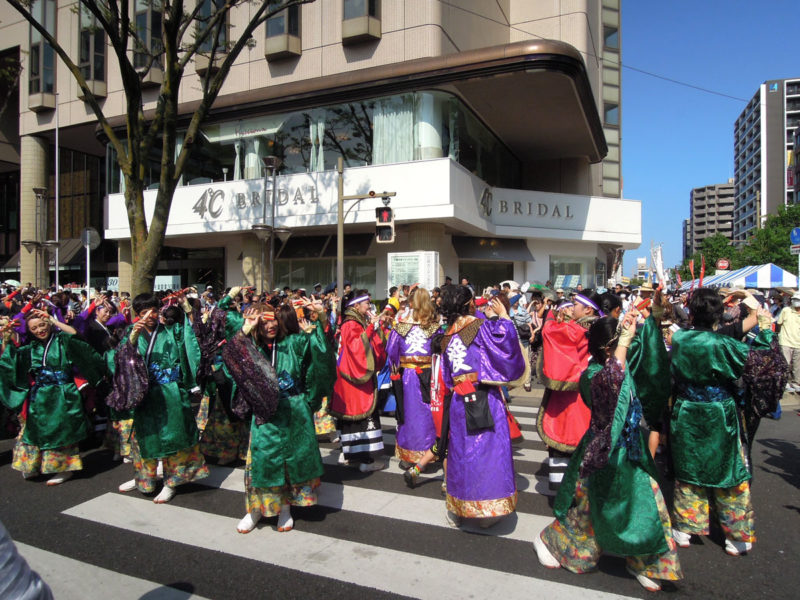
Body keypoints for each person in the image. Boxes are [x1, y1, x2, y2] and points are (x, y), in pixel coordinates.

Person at [534, 316, 682, 592]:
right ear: (607, 348)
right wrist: (623, 342)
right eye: (622, 340)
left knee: (650, 507)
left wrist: (656, 315)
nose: (629, 342)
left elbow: (648, 355)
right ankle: (549, 541)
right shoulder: (592, 375)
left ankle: (647, 562)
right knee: (588, 515)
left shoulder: (622, 362)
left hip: (631, 452)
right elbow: (612, 386)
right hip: (602, 454)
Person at [669, 288, 785, 556]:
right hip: (719, 411)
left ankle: (686, 527)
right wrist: (766, 331)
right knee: (728, 469)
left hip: (686, 408)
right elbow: (766, 364)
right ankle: (736, 535)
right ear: (719, 314)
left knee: (689, 466)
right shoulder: (725, 344)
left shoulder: (680, 338)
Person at [227, 302, 335, 534]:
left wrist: (322, 319)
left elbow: (321, 356)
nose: (270, 324)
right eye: (263, 320)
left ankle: (285, 508)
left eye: (273, 318)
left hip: (293, 411)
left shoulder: (293, 343)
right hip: (264, 415)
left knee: (289, 463)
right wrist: (246, 328)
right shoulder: (249, 347)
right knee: (262, 460)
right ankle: (255, 509)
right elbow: (230, 357)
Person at [107, 292, 209, 503]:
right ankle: (143, 479)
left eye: (154, 311)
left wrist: (188, 311)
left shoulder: (172, 331)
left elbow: (192, 343)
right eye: (144, 312)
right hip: (144, 396)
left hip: (169, 392)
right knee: (144, 439)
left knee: (174, 437)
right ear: (137, 314)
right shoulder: (129, 333)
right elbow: (116, 361)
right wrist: (132, 341)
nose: (150, 316)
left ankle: (172, 482)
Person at [438, 285, 525, 528]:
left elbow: (446, 376)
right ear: (468, 304)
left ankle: (458, 507)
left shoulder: (447, 334)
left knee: (461, 454)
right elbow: (504, 347)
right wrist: (504, 318)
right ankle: (487, 510)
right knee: (487, 453)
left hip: (458, 399)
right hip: (483, 395)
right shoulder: (479, 327)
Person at [0, 308, 105, 485]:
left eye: (42, 325)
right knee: (35, 431)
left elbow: (76, 335)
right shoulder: (31, 348)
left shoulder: (62, 341)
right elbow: (12, 361)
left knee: (62, 431)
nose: (40, 330)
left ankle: (64, 468)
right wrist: (7, 338)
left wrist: (54, 320)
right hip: (40, 395)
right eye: (34, 328)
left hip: (63, 393)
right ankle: (33, 465)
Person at [537, 291, 602, 490]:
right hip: (595, 396)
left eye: (575, 305)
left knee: (563, 442)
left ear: (588, 309)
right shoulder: (603, 326)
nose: (571, 308)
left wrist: (550, 314)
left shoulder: (576, 330)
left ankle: (566, 496)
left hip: (572, 399)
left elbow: (550, 333)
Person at [330, 290, 389, 471]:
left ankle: (351, 455)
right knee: (362, 417)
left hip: (350, 378)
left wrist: (374, 328)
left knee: (352, 420)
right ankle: (366, 460)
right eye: (366, 304)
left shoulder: (354, 322)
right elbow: (357, 347)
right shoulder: (351, 323)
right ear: (356, 306)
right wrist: (372, 328)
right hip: (354, 379)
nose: (369, 307)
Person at [386, 288, 440, 481]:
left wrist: (396, 367)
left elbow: (391, 350)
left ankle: (409, 457)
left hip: (407, 375)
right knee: (428, 413)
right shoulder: (435, 326)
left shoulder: (401, 325)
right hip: (428, 374)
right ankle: (429, 454)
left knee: (407, 414)